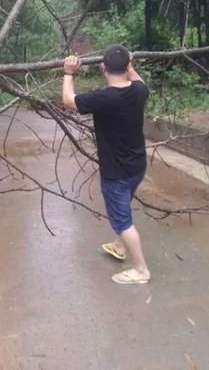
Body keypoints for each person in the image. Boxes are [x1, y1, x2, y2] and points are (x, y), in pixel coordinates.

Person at [61, 44, 151, 284]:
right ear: (127, 66)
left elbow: (68, 100)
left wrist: (69, 71)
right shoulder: (139, 91)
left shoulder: (104, 98)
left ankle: (141, 270)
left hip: (116, 172)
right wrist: (128, 64)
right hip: (137, 167)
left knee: (121, 220)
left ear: (103, 67)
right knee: (124, 206)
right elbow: (136, 79)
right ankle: (120, 247)